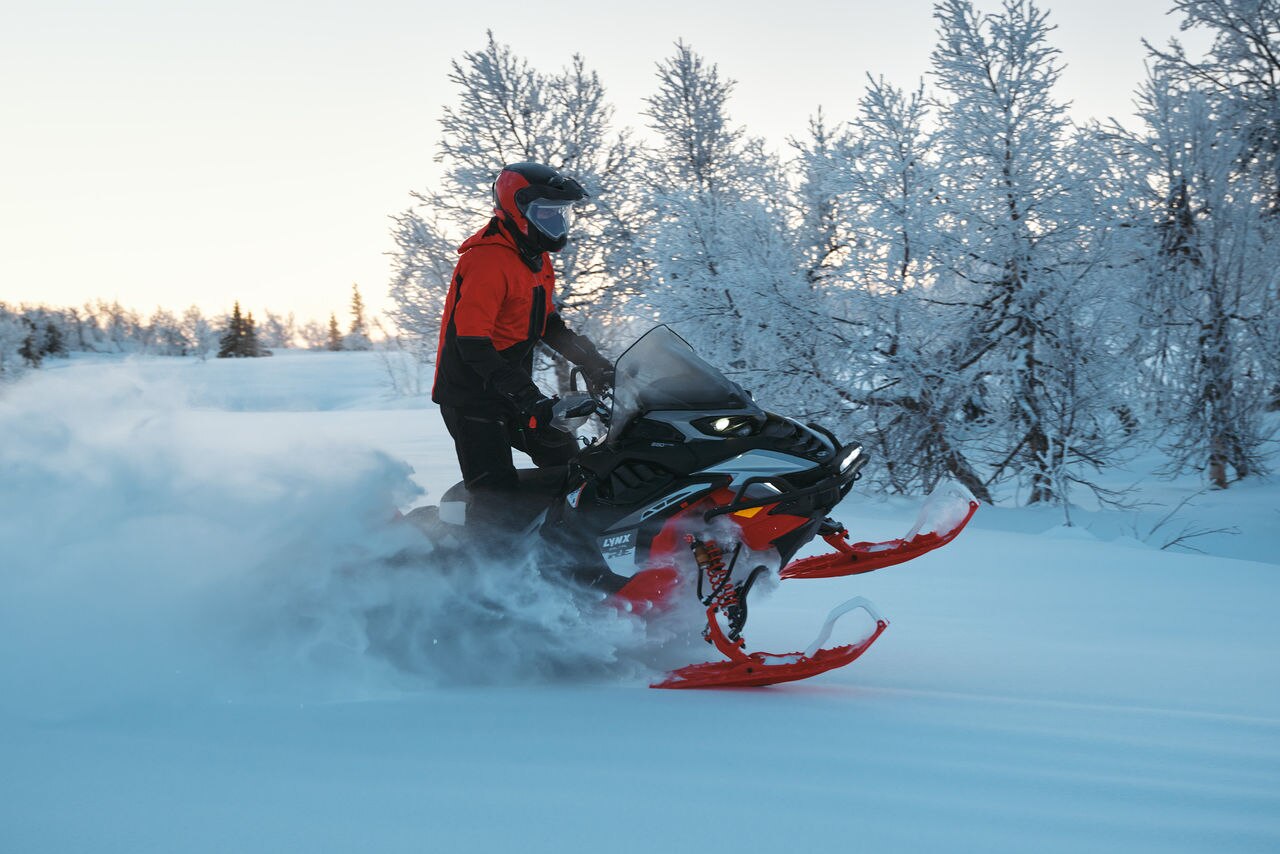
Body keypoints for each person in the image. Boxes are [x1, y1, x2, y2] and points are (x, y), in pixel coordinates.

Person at [432, 161, 611, 522]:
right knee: (495, 497)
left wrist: (597, 364)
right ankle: (486, 569)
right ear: (517, 211)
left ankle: (562, 546)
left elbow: (548, 325)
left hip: (510, 390)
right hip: (471, 397)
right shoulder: (487, 260)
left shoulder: (535, 258)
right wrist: (528, 396)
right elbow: (473, 343)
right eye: (547, 213)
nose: (557, 223)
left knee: (569, 462)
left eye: (561, 214)